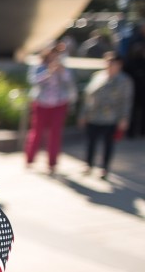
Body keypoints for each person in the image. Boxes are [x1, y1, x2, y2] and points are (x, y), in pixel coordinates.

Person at [79, 52, 133, 180]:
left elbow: (126, 101)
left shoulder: (124, 81)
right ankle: (88, 164)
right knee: (91, 142)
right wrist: (83, 114)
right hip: (94, 115)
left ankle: (104, 168)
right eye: (108, 62)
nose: (109, 65)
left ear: (119, 65)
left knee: (108, 144)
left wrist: (124, 118)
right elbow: (88, 97)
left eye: (112, 63)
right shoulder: (98, 76)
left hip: (111, 118)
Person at [25, 46, 75, 175]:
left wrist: (61, 71)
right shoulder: (39, 66)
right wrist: (48, 72)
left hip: (58, 104)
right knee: (37, 132)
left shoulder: (62, 68)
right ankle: (30, 158)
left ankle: (52, 162)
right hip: (42, 103)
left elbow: (69, 81)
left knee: (55, 134)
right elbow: (33, 80)